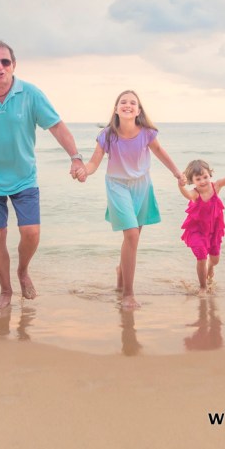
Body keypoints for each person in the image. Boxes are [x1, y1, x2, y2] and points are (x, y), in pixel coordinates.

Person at [0, 40, 87, 310]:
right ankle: (5, 291)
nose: (0, 67)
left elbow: (57, 127)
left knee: (31, 233)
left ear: (14, 65)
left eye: (5, 62)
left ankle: (23, 271)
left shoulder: (31, 94)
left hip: (24, 177)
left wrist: (75, 156)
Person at [82, 90, 184, 310]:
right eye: (123, 102)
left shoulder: (147, 133)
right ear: (116, 108)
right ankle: (128, 294)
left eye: (132, 103)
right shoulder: (107, 134)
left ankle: (121, 271)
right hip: (117, 185)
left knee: (133, 237)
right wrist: (84, 172)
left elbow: (161, 153)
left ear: (138, 111)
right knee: (131, 234)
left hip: (142, 186)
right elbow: (93, 163)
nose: (127, 105)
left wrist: (177, 172)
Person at [177, 158, 225, 295]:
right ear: (193, 181)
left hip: (214, 229)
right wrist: (180, 185)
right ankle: (203, 287)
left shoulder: (216, 186)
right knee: (201, 255)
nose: (203, 181)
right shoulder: (195, 194)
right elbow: (186, 194)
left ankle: (210, 266)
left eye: (205, 177)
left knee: (215, 260)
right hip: (197, 230)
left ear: (210, 175)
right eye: (198, 179)